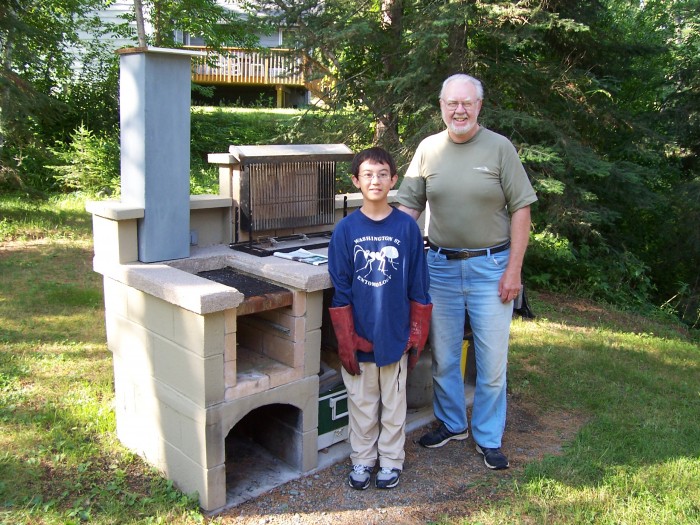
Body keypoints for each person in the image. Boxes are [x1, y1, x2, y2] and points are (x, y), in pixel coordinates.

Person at [396, 73, 537, 470]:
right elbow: (408, 209)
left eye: (467, 103)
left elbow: (521, 210)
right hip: (437, 267)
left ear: (479, 106)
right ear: (441, 106)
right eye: (451, 103)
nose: (459, 110)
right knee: (442, 356)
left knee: (492, 362)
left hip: (491, 268)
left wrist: (514, 270)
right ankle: (453, 423)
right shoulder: (427, 150)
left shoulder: (499, 148)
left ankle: (489, 437)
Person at [328, 147, 432, 490]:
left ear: (393, 180)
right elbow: (340, 290)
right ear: (356, 180)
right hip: (359, 337)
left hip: (395, 336)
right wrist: (347, 338)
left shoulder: (407, 228)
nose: (376, 180)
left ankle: (390, 460)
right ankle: (362, 459)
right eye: (368, 174)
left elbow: (419, 285)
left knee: (393, 405)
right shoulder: (345, 230)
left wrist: (414, 334)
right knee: (361, 404)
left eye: (382, 173)